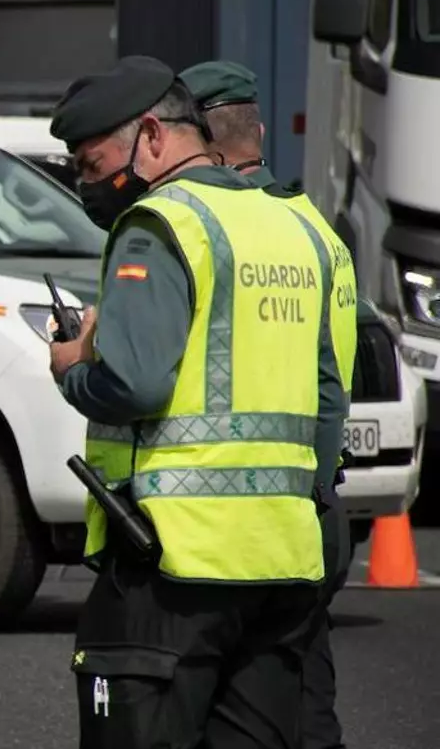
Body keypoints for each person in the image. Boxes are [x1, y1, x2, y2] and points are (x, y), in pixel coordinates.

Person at [47, 56, 342, 749]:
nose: (90, 185)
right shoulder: (297, 228)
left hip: (175, 563)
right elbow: (328, 397)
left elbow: (134, 385)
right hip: (283, 562)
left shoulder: (160, 224)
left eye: (94, 165)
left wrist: (73, 367)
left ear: (153, 135)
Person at [182, 59, 357, 749]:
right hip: (314, 500)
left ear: (202, 141)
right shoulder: (315, 230)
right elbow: (332, 379)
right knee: (307, 701)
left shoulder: (216, 229)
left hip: (240, 516)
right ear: (258, 130)